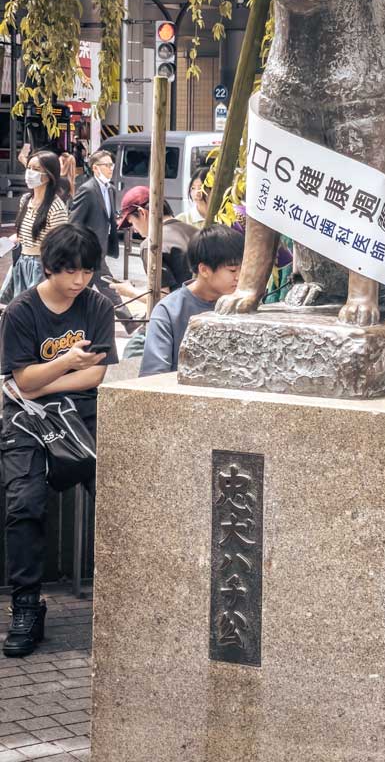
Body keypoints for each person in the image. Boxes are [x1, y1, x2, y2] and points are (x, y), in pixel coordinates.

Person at [0, 224, 118, 656]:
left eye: (87, 271)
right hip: (26, 421)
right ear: (49, 267)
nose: (79, 281)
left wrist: (43, 382)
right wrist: (66, 361)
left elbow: (96, 373)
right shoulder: (21, 312)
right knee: (23, 503)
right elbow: (21, 377)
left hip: (81, 412)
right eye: (70, 272)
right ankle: (27, 606)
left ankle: (123, 600)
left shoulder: (97, 305)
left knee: (118, 495)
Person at [140, 225, 244, 376]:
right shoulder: (168, 311)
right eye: (233, 270)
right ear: (204, 270)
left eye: (243, 269)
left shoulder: (242, 306)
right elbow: (153, 375)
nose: (239, 277)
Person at [68, 149, 136, 331]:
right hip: (89, 251)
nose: (111, 169)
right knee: (108, 285)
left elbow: (108, 216)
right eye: (107, 165)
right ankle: (129, 322)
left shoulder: (110, 189)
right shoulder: (87, 190)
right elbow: (74, 222)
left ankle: (75, 323)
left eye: (112, 165)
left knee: (84, 289)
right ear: (95, 168)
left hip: (101, 247)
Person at [0, 150, 68, 304]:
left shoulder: (56, 207)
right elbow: (22, 234)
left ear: (49, 175)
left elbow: (61, 244)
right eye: (29, 168)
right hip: (21, 263)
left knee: (32, 310)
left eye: (36, 170)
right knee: (13, 308)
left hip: (42, 267)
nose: (30, 173)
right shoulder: (25, 200)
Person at [118, 185, 196, 293]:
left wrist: (130, 291)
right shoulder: (196, 231)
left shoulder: (151, 244)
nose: (133, 229)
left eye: (131, 223)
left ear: (142, 213)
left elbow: (160, 297)